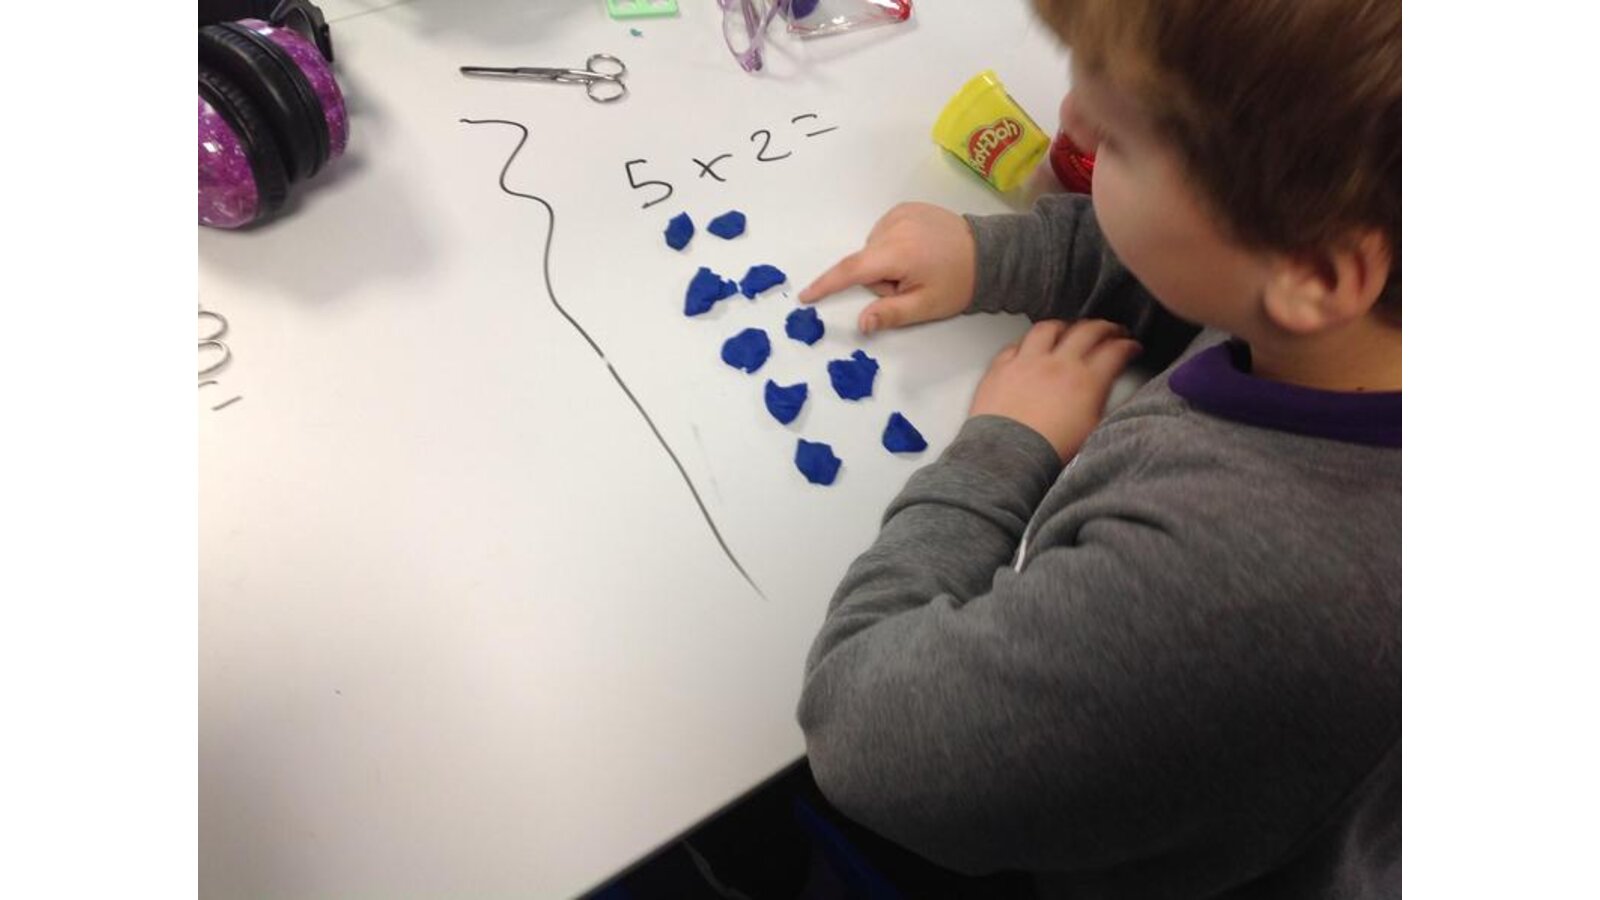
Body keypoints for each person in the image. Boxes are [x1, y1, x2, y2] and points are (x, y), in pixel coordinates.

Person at [795, 0, 1401, 896]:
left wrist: (1002, 450)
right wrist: (1002, 257)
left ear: (1314, 272)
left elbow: (862, 737)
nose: (1068, 125)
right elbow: (1228, 279)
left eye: (1116, 138)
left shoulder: (1233, 587)